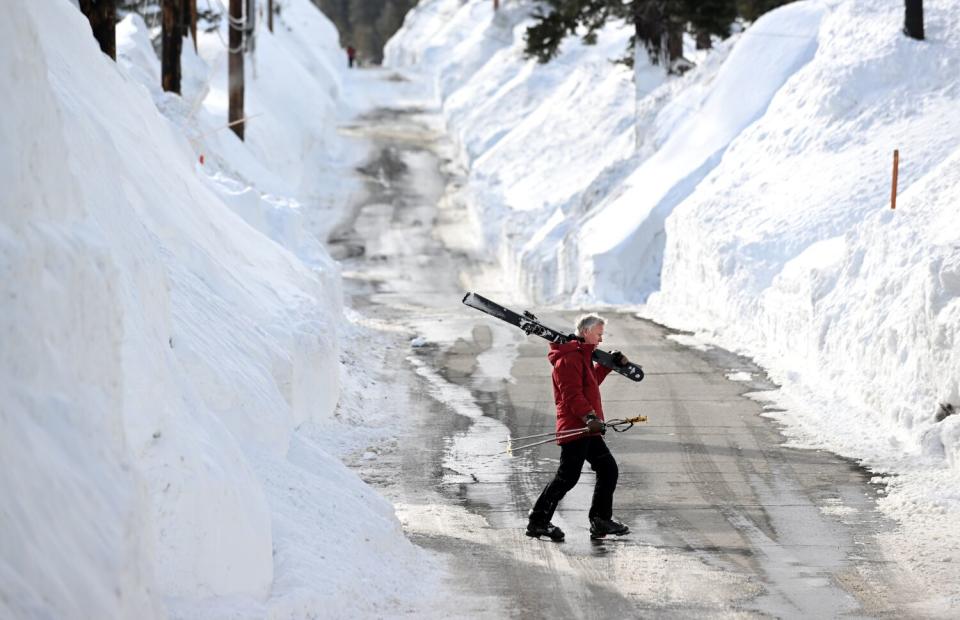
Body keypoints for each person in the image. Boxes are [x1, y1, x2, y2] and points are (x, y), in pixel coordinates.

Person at [526, 313, 631, 541]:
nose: (601, 340)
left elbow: (589, 383)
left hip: (587, 427)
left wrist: (608, 365)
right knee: (567, 478)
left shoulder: (581, 355)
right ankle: (538, 522)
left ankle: (600, 520)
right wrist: (589, 417)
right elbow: (572, 395)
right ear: (585, 332)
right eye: (599, 334)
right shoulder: (569, 358)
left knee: (607, 469)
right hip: (576, 427)